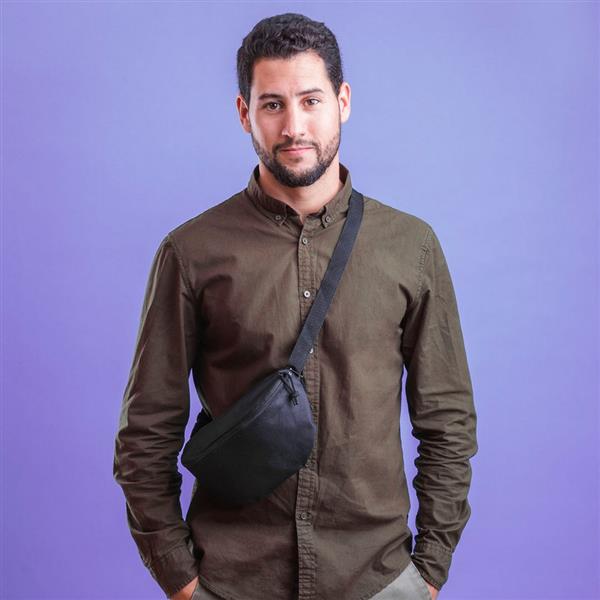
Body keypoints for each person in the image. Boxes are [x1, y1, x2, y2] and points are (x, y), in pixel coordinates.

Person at [113, 12, 478, 600]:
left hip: (377, 579)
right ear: (245, 113)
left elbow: (447, 420)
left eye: (311, 100)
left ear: (343, 101)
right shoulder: (191, 252)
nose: (293, 126)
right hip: (232, 580)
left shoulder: (411, 247)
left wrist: (429, 569)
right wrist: (179, 577)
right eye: (272, 104)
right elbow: (145, 433)